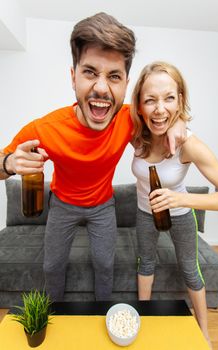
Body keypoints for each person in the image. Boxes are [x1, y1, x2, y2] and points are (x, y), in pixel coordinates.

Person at [0, 13, 186, 302]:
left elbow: (162, 113)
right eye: (90, 72)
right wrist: (8, 164)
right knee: (52, 265)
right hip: (62, 205)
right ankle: (54, 317)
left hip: (103, 206)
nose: (101, 87)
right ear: (73, 77)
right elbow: (2, 163)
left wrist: (178, 123)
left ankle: (101, 315)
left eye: (114, 76)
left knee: (104, 264)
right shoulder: (45, 128)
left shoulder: (129, 118)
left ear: (126, 85)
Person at [130, 60, 218, 348]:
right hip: (143, 212)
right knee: (145, 263)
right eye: (150, 100)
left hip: (181, 213)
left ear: (180, 100)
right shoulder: (135, 135)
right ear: (139, 105)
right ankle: (144, 320)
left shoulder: (188, 145)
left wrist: (181, 198)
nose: (160, 108)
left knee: (190, 269)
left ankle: (205, 334)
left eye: (169, 98)